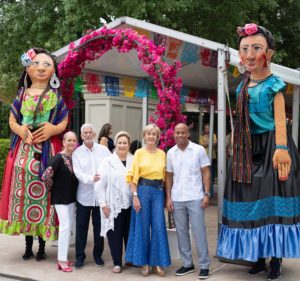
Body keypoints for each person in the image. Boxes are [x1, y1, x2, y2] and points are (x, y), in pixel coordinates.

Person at [216, 23, 300, 280]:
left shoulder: (274, 84)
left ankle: (276, 260)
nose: (249, 54)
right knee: (249, 203)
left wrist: (282, 148)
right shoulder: (242, 85)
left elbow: (279, 120)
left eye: (256, 48)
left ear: (269, 54)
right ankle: (258, 258)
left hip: (273, 147)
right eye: (244, 49)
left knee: (272, 203)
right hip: (246, 149)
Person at [0, 48, 68, 261]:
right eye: (36, 63)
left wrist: (53, 129)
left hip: (46, 153)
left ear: (54, 71)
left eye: (47, 64)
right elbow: (12, 120)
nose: (41, 67)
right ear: (27, 68)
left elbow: (64, 121)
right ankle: (28, 246)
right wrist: (20, 129)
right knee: (23, 198)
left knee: (45, 199)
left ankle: (41, 247)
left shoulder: (55, 96)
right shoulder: (21, 95)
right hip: (24, 151)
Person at [166, 123, 211, 279]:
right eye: (177, 133)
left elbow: (206, 172)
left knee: (199, 232)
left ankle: (204, 265)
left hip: (196, 197)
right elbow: (169, 176)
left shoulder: (199, 150)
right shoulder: (171, 153)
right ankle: (187, 264)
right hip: (178, 198)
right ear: (174, 135)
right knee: (181, 232)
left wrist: (206, 194)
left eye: (182, 132)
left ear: (188, 134)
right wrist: (169, 197)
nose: (180, 135)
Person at [125, 124, 171, 277]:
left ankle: (157, 262)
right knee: (142, 227)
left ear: (157, 137)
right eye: (148, 133)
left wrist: (167, 196)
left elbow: (166, 177)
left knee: (158, 226)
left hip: (158, 192)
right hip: (142, 191)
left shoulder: (162, 154)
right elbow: (132, 177)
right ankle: (143, 262)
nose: (151, 136)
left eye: (154, 134)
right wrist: (135, 196)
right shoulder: (138, 153)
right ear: (144, 136)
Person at [72, 123, 111, 269]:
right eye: (85, 133)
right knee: (81, 227)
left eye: (90, 132)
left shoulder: (104, 150)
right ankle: (80, 256)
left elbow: (109, 167)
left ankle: (97, 255)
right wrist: (91, 178)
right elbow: (78, 173)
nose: (88, 135)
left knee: (99, 227)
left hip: (100, 197)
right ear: (81, 136)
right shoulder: (77, 153)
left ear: (94, 134)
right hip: (84, 196)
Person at [95, 131, 133, 273]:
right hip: (113, 203)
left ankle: (129, 258)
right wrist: (103, 204)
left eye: (125, 143)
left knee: (129, 232)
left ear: (129, 145)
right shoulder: (107, 162)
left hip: (130, 203)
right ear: (115, 144)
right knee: (115, 234)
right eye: (119, 142)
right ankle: (117, 262)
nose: (122, 145)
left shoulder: (134, 160)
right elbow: (99, 184)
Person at [42, 131, 78, 272]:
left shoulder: (73, 158)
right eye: (68, 140)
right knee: (65, 226)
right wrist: (53, 189)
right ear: (63, 142)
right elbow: (46, 176)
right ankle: (61, 260)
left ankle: (63, 258)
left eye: (73, 140)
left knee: (68, 228)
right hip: (60, 198)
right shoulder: (58, 158)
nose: (71, 143)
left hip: (70, 198)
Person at [199, 123, 217, 198]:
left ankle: (211, 192)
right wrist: (209, 143)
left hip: (212, 156)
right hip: (203, 156)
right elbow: (201, 144)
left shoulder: (213, 135)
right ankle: (203, 190)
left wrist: (208, 143)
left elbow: (215, 143)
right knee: (203, 173)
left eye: (208, 128)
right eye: (205, 128)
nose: (207, 129)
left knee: (211, 174)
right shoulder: (201, 136)